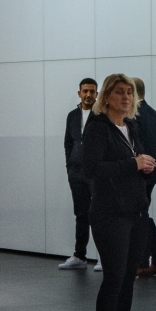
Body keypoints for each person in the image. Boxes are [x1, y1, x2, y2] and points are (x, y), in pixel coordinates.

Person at [77, 74, 155, 311]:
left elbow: (134, 161)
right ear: (106, 97)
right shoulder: (97, 127)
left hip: (136, 212)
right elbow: (91, 169)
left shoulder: (131, 126)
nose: (126, 97)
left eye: (129, 93)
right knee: (113, 278)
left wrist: (145, 165)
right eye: (119, 92)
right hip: (109, 214)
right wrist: (132, 164)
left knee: (128, 278)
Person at [57, 77, 98, 271]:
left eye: (92, 91)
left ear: (97, 94)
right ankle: (80, 255)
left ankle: (104, 257)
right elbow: (68, 142)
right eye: (85, 91)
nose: (88, 95)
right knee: (81, 214)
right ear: (79, 93)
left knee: (99, 214)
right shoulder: (72, 116)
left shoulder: (101, 115)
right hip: (76, 172)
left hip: (95, 173)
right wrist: (69, 165)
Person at [132, 77, 156, 278]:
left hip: (138, 173)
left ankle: (143, 262)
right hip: (150, 172)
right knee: (143, 215)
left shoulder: (134, 115)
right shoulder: (153, 114)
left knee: (140, 217)